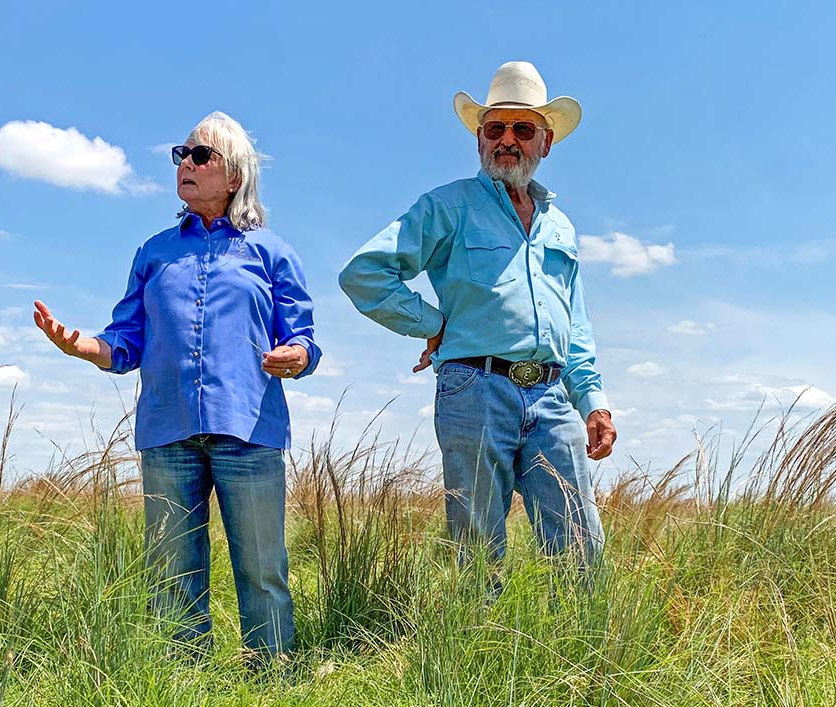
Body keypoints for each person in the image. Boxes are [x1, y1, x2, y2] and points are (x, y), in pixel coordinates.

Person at [33, 111, 320, 660]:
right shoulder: (153, 252)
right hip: (168, 431)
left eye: (201, 156)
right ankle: (184, 683)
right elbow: (124, 339)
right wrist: (81, 346)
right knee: (170, 576)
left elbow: (304, 336)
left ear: (233, 176)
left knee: (263, 569)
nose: (186, 164)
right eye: (181, 155)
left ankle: (275, 681)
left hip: (250, 428)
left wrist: (298, 354)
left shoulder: (273, 252)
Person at [339, 62, 616, 566]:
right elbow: (365, 272)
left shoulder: (562, 227)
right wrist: (433, 324)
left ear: (545, 143)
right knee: (476, 549)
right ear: (480, 139)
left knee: (581, 547)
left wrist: (592, 401)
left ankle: (580, 646)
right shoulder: (448, 206)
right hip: (475, 388)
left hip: (554, 396)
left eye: (523, 129)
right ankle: (471, 645)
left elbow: (574, 323)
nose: (507, 139)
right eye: (495, 128)